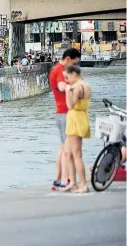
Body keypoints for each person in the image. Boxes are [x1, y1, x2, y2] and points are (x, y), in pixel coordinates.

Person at [49, 48, 81, 190]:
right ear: (68, 59)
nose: (74, 68)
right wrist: (73, 87)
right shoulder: (60, 70)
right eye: (74, 63)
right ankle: (64, 180)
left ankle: (59, 178)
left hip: (61, 112)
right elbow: (61, 85)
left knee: (63, 148)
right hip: (65, 112)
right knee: (67, 149)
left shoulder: (56, 69)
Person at [60, 65, 92, 193]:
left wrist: (68, 91)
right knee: (68, 153)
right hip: (80, 118)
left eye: (67, 77)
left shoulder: (77, 88)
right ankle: (73, 182)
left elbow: (70, 105)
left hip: (76, 120)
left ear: (73, 74)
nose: (67, 81)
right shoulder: (85, 85)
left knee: (77, 154)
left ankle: (83, 185)